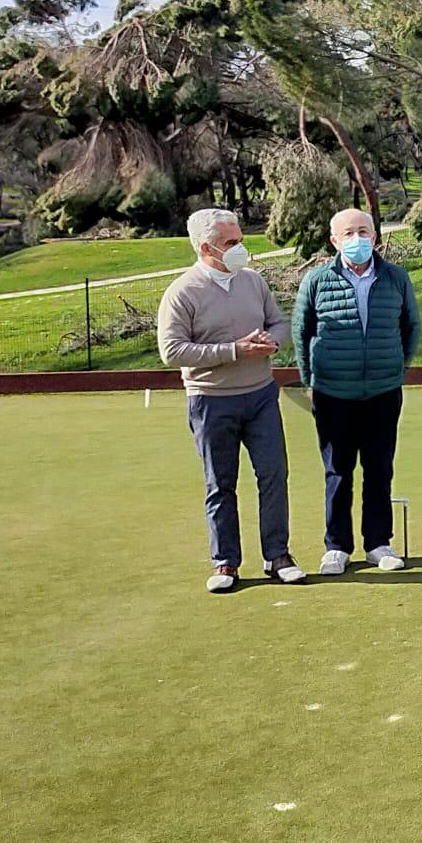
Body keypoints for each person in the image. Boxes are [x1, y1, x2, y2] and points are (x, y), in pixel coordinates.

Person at [157, 207, 298, 593]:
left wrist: (273, 342)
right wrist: (233, 350)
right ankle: (226, 562)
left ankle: (278, 556)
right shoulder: (182, 292)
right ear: (206, 248)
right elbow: (172, 351)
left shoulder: (253, 281)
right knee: (221, 483)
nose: (240, 249)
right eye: (231, 243)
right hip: (211, 400)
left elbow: (280, 323)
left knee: (273, 474)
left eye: (241, 240)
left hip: (261, 394)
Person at [292, 207, 420, 576]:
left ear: (375, 236)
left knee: (379, 469)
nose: (357, 239)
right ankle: (337, 547)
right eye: (348, 233)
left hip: (383, 391)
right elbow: (302, 332)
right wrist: (309, 381)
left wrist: (398, 368)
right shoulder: (316, 280)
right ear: (334, 241)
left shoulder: (396, 278)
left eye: (363, 231)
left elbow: (411, 326)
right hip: (333, 392)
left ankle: (378, 543)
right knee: (338, 471)